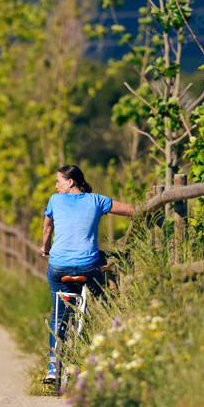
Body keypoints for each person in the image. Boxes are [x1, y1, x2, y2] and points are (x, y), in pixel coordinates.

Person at [40, 164, 135, 384]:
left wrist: (45, 249)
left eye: (58, 181)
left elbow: (47, 230)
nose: (56, 186)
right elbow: (132, 210)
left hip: (58, 267)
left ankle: (53, 368)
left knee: (58, 313)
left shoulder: (55, 200)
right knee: (104, 302)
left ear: (70, 182)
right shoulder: (97, 200)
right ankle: (103, 351)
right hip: (89, 266)